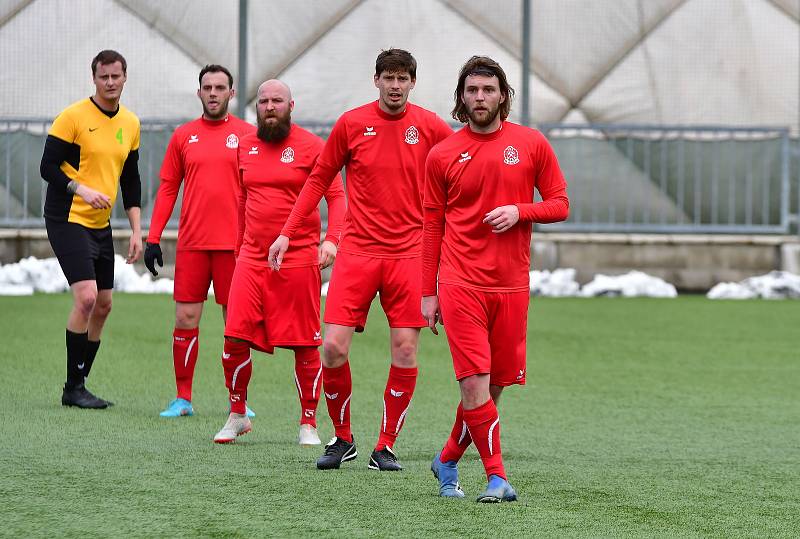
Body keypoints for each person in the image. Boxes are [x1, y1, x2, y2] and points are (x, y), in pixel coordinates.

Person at [269, 49, 453, 471]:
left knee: (406, 350)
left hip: (409, 254)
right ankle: (343, 437)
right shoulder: (352, 123)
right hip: (357, 252)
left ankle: (385, 445)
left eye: (402, 78)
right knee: (331, 347)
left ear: (412, 82)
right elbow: (319, 178)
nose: (395, 85)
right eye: (388, 78)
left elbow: (464, 164)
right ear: (376, 81)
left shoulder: (430, 126)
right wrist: (287, 232)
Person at [422, 56, 569, 502]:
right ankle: (497, 477)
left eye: (488, 90)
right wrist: (428, 292)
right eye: (472, 91)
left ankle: (447, 458)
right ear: (461, 97)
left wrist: (520, 210)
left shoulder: (530, 143)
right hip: (461, 282)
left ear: (502, 94)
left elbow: (560, 203)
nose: (479, 98)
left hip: (511, 286)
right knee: (473, 383)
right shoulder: (442, 153)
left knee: (493, 387)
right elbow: (431, 227)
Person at [212, 79, 345, 446]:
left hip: (299, 258)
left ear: (291, 106)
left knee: (304, 343)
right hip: (252, 259)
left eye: (278, 101)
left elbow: (336, 196)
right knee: (233, 337)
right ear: (256, 107)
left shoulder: (311, 147)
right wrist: (239, 249)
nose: (270, 106)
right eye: (264, 101)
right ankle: (237, 414)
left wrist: (331, 241)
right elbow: (242, 201)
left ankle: (308, 422)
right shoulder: (245, 146)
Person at [144, 65, 257, 418]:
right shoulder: (183, 136)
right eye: (207, 87)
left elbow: (263, 187)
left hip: (236, 246)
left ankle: (238, 400)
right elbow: (167, 188)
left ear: (231, 93)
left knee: (236, 324)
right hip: (192, 243)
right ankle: (183, 398)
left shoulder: (248, 135)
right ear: (199, 93)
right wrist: (152, 238)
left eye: (219, 87)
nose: (213, 93)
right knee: (186, 317)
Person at [40, 49, 142, 409]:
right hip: (66, 217)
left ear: (125, 77)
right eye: (104, 77)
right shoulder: (73, 117)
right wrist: (80, 188)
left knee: (104, 304)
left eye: (116, 76)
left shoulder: (130, 123)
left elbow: (130, 180)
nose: (111, 83)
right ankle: (72, 388)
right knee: (86, 298)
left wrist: (136, 230)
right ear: (94, 79)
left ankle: (79, 384)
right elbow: (47, 166)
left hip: (101, 224)